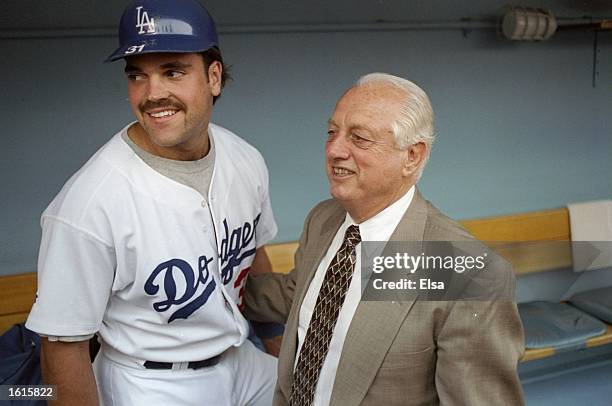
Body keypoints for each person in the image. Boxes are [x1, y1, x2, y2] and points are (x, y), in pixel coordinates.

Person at [25, 0, 278, 405]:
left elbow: (256, 261)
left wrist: (284, 362)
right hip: (152, 383)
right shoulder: (88, 203)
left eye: (172, 71)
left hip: (242, 361)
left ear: (214, 77)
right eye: (137, 76)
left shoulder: (244, 157)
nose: (152, 93)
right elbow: (62, 349)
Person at [245, 73, 525, 405]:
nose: (334, 150)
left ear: (412, 156)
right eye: (332, 132)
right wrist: (216, 296)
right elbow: (299, 294)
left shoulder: (467, 274)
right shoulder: (324, 219)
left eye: (359, 138)